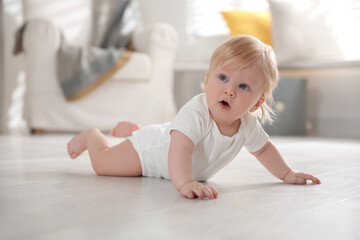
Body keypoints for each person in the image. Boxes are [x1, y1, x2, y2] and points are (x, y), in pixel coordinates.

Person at [67, 35, 321, 200]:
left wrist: (287, 173)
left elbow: (264, 150)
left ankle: (143, 129)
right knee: (103, 166)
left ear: (257, 102)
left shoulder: (247, 125)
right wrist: (186, 182)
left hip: (168, 141)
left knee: (171, 133)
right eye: (222, 78)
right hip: (148, 154)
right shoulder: (196, 111)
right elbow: (180, 149)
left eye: (243, 87)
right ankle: (93, 137)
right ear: (207, 79)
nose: (229, 90)